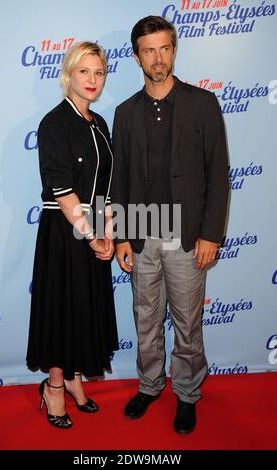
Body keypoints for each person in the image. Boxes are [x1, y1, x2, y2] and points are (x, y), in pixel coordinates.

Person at [111, 16, 229, 434]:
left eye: (164, 48)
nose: (158, 59)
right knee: (145, 318)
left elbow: (219, 174)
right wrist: (122, 235)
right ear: (137, 56)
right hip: (142, 234)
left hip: (187, 236)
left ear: (174, 50)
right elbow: (119, 177)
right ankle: (149, 384)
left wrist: (211, 234)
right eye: (149, 50)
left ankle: (187, 394)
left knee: (187, 322)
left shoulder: (203, 104)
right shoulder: (124, 113)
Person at [26, 41, 118, 429]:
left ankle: (77, 380)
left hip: (93, 229)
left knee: (85, 309)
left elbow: (106, 187)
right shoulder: (54, 122)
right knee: (62, 312)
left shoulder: (98, 123)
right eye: (85, 71)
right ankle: (54, 388)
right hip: (65, 235)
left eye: (98, 72)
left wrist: (109, 233)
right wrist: (91, 235)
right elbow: (62, 191)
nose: (92, 79)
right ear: (69, 74)